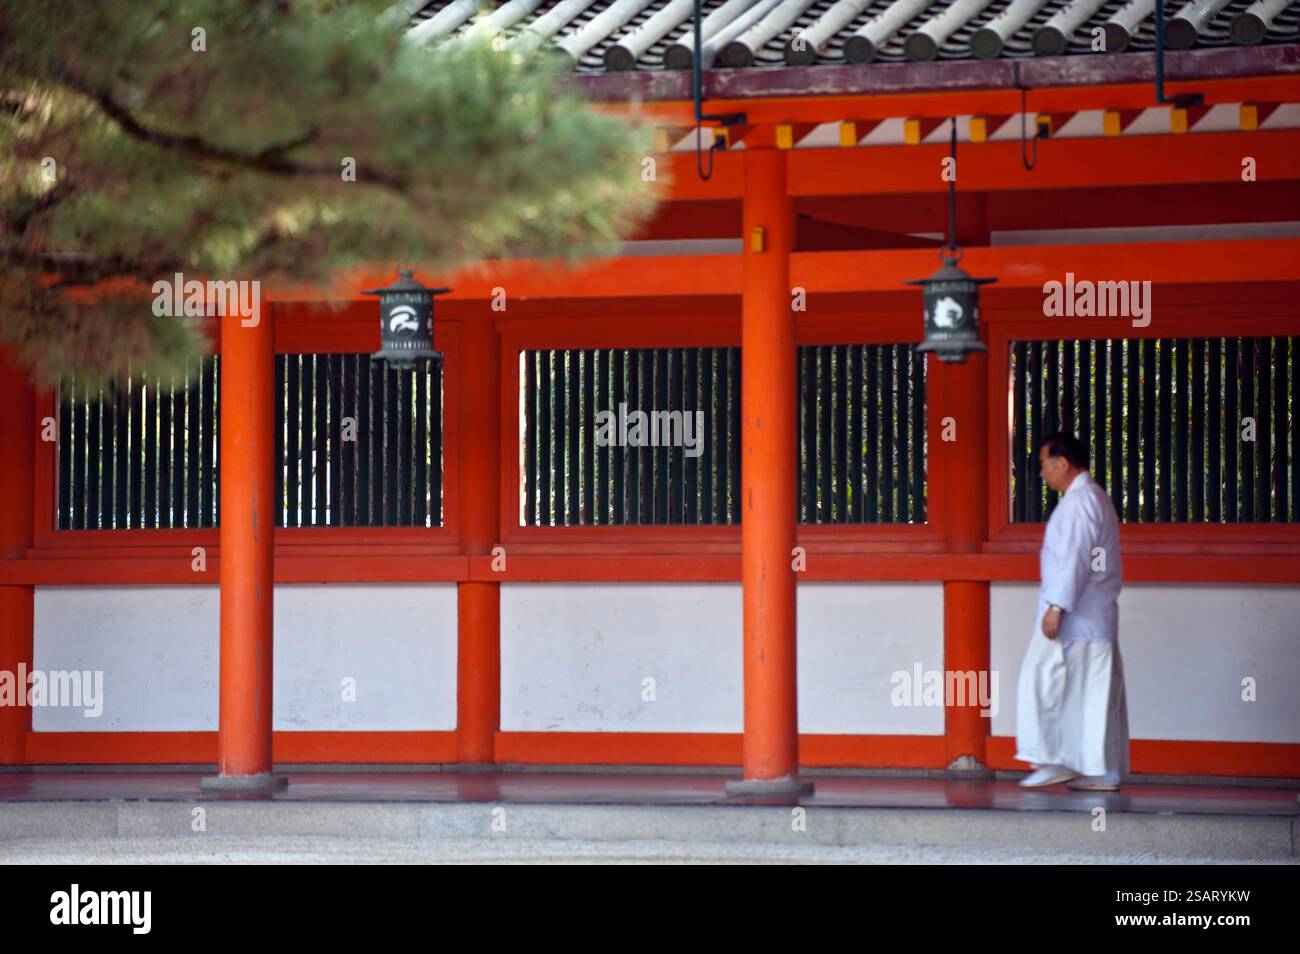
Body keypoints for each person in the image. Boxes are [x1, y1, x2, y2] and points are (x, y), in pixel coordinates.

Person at [1015, 432, 1129, 791]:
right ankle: (1092, 769)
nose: (1042, 473)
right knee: (1086, 695)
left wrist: (1057, 606)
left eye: (1044, 464)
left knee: (1055, 688)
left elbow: (1076, 557)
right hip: (1086, 618)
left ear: (1062, 463)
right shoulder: (1089, 498)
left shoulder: (1081, 502)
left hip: (1076, 617)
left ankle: (1060, 761)